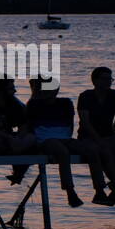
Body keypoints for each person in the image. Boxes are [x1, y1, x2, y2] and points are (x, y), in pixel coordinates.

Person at [10, 77, 86, 208]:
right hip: (45, 141)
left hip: (64, 139)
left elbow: (70, 125)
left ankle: (109, 188)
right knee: (63, 152)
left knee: (92, 150)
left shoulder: (65, 103)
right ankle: (70, 191)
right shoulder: (34, 104)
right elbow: (28, 124)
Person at [78, 66, 115, 205]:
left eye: (110, 79)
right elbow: (85, 122)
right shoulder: (86, 96)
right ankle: (112, 190)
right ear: (95, 80)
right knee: (103, 152)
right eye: (104, 79)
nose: (108, 81)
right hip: (88, 137)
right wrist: (98, 140)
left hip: (110, 136)